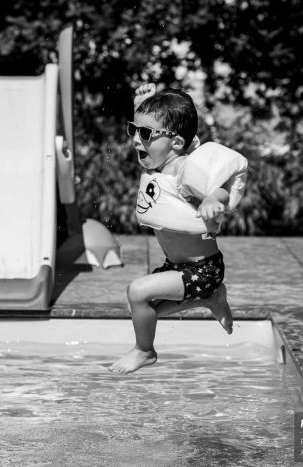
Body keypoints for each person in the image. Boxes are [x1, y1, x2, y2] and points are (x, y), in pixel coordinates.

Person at [109, 84, 235, 375]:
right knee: (144, 307)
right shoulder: (156, 165)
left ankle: (145, 351)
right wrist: (141, 104)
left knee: (138, 291)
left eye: (145, 134)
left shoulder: (183, 170)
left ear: (176, 143)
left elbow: (220, 189)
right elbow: (150, 130)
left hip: (203, 269)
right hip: (176, 266)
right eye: (134, 130)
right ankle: (211, 298)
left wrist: (215, 200)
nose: (136, 140)